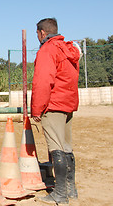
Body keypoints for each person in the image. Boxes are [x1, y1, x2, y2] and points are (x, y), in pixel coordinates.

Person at [31, 18, 81, 204]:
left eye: (37, 33)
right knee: (67, 148)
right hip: (68, 104)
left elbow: (43, 82)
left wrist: (37, 109)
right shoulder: (68, 49)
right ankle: (70, 189)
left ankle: (59, 194)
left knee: (56, 148)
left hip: (53, 105)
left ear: (42, 33)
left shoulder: (47, 50)